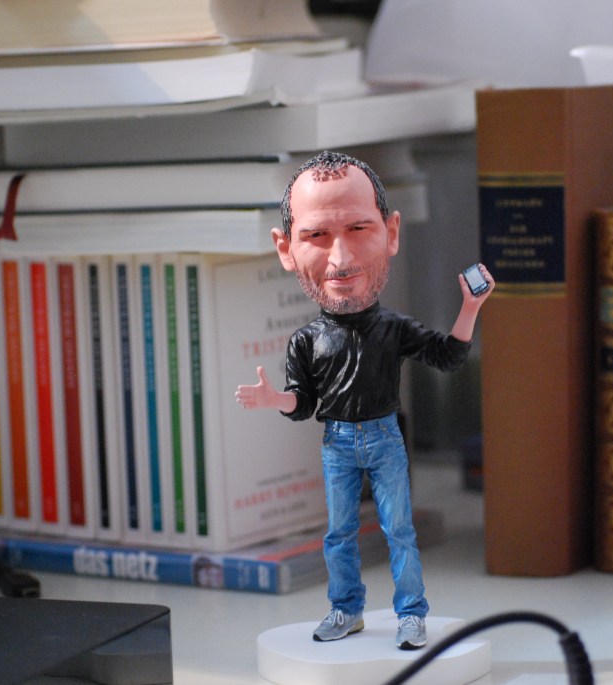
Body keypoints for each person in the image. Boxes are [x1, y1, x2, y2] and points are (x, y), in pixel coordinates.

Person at [235, 150, 494, 650]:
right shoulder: (306, 341)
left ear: (392, 233)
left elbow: (447, 357)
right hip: (336, 444)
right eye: (316, 235)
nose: (340, 259)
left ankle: (411, 615)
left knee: (399, 530)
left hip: (385, 439)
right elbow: (303, 404)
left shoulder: (394, 328)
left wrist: (470, 307)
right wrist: (276, 400)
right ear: (285, 248)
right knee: (339, 534)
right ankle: (345, 609)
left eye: (358, 229)